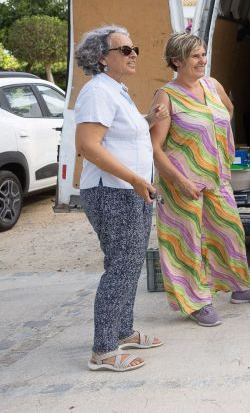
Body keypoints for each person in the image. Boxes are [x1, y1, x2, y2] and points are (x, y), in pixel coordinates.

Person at [151, 33, 250, 327]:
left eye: (203, 54)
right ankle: (196, 303)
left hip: (216, 177)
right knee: (186, 243)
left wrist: (219, 145)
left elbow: (227, 111)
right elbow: (155, 147)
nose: (202, 61)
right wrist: (182, 181)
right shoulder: (166, 96)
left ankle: (240, 287)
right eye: (195, 56)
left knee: (229, 231)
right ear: (176, 61)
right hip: (181, 183)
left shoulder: (212, 84)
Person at [74, 25, 168, 371]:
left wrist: (147, 119)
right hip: (112, 192)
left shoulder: (116, 90)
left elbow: (118, 135)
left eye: (134, 49)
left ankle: (123, 330)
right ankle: (103, 350)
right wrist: (133, 178)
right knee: (121, 267)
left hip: (130, 190)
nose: (133, 55)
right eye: (124, 50)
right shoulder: (98, 91)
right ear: (102, 58)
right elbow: (87, 145)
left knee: (130, 264)